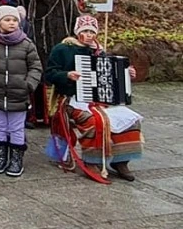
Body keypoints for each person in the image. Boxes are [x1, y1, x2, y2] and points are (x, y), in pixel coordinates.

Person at [45, 15, 142, 182]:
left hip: (99, 101)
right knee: (93, 120)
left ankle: (121, 160)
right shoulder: (63, 49)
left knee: (131, 120)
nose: (89, 35)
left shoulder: (99, 52)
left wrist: (127, 73)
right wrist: (67, 75)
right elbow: (49, 74)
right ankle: (92, 161)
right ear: (77, 32)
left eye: (92, 31)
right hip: (70, 99)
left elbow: (111, 76)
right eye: (85, 31)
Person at [0, 6, 42, 177]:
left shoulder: (26, 44)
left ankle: (16, 160)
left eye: (14, 20)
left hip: (18, 94)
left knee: (16, 128)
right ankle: (0, 158)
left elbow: (36, 67)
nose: (11, 23)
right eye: (7, 20)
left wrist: (28, 84)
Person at [29, 0, 79, 125]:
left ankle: (59, 114)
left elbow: (75, 21)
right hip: (40, 44)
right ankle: (39, 114)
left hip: (61, 43)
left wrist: (74, 39)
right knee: (41, 77)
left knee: (60, 76)